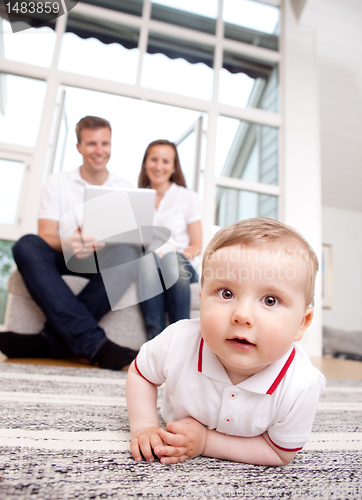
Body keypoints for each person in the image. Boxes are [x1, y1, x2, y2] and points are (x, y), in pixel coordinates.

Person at [126, 217, 326, 466]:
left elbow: (280, 453)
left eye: (270, 300)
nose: (241, 315)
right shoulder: (179, 339)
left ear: (302, 324)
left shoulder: (301, 385)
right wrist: (145, 426)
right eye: (226, 293)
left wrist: (206, 442)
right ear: (201, 299)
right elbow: (141, 373)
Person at [0, 116, 139, 370]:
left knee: (129, 256)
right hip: (63, 255)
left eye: (105, 143)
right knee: (27, 244)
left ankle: (49, 343)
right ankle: (96, 345)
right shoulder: (58, 182)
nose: (99, 151)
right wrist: (69, 243)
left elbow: (129, 240)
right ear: (79, 147)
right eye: (92, 144)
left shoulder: (125, 188)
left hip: (102, 260)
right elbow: (45, 234)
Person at [137, 139, 202, 340]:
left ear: (173, 167)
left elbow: (197, 245)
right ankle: (155, 343)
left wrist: (171, 256)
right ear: (146, 163)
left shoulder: (187, 197)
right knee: (147, 259)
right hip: (147, 264)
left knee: (171, 260)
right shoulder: (136, 198)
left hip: (180, 265)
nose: (158, 166)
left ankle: (180, 341)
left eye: (165, 161)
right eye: (154, 159)